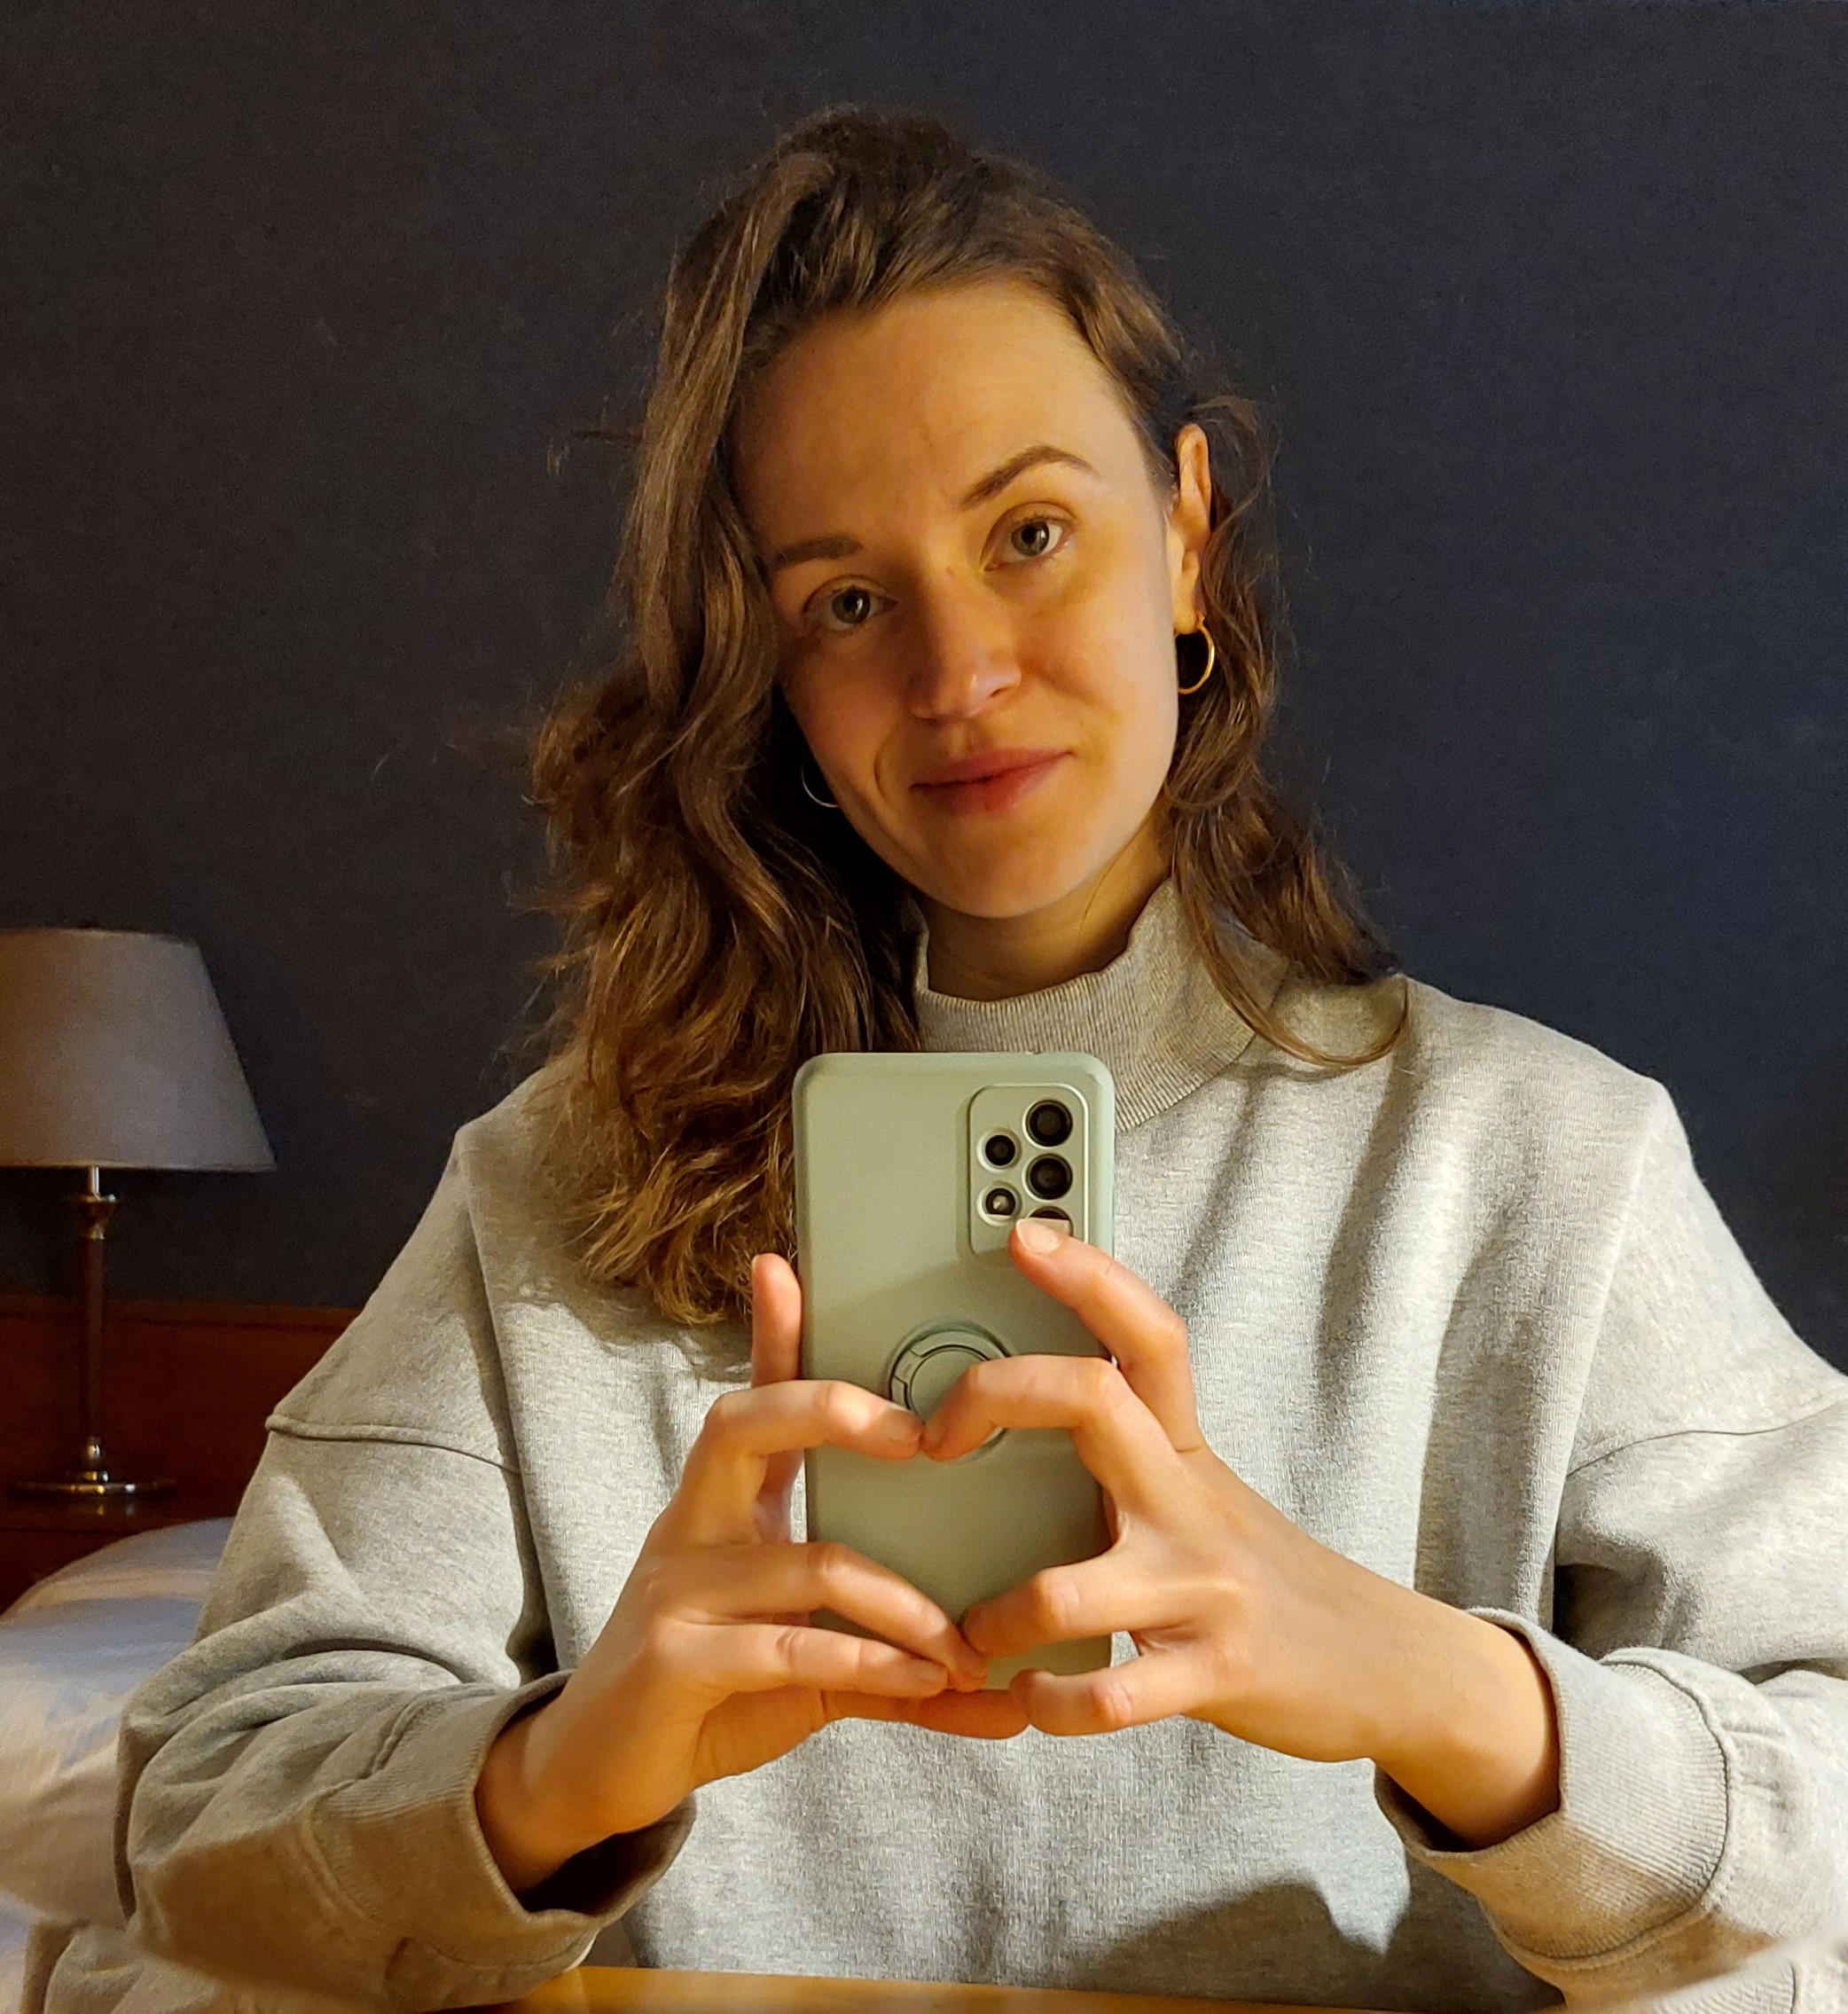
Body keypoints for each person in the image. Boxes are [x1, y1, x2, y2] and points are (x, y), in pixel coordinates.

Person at [45, 108, 1848, 2014]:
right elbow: (201, 1822)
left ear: (1188, 534)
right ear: (769, 667)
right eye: (847, 599)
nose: (959, 672)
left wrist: (1427, 1680)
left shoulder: (1539, 1165)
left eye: (1030, 534)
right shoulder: (555, 1191)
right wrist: (562, 1768)